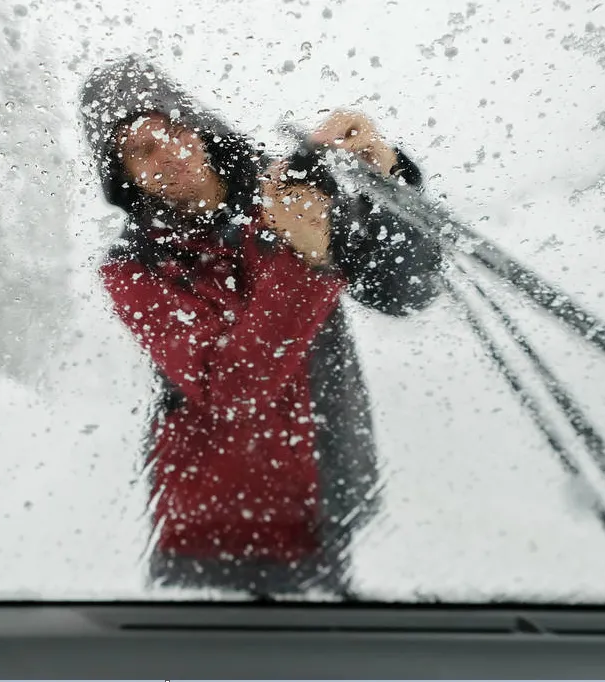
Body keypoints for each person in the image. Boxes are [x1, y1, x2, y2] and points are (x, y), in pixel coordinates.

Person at [80, 56, 441, 599]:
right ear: (125, 176)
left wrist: (384, 177)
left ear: (198, 127)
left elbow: (404, 290)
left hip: (326, 490)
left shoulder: (291, 192)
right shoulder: (135, 269)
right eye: (140, 150)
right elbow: (232, 389)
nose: (169, 153)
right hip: (215, 521)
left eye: (173, 129)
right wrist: (307, 259)